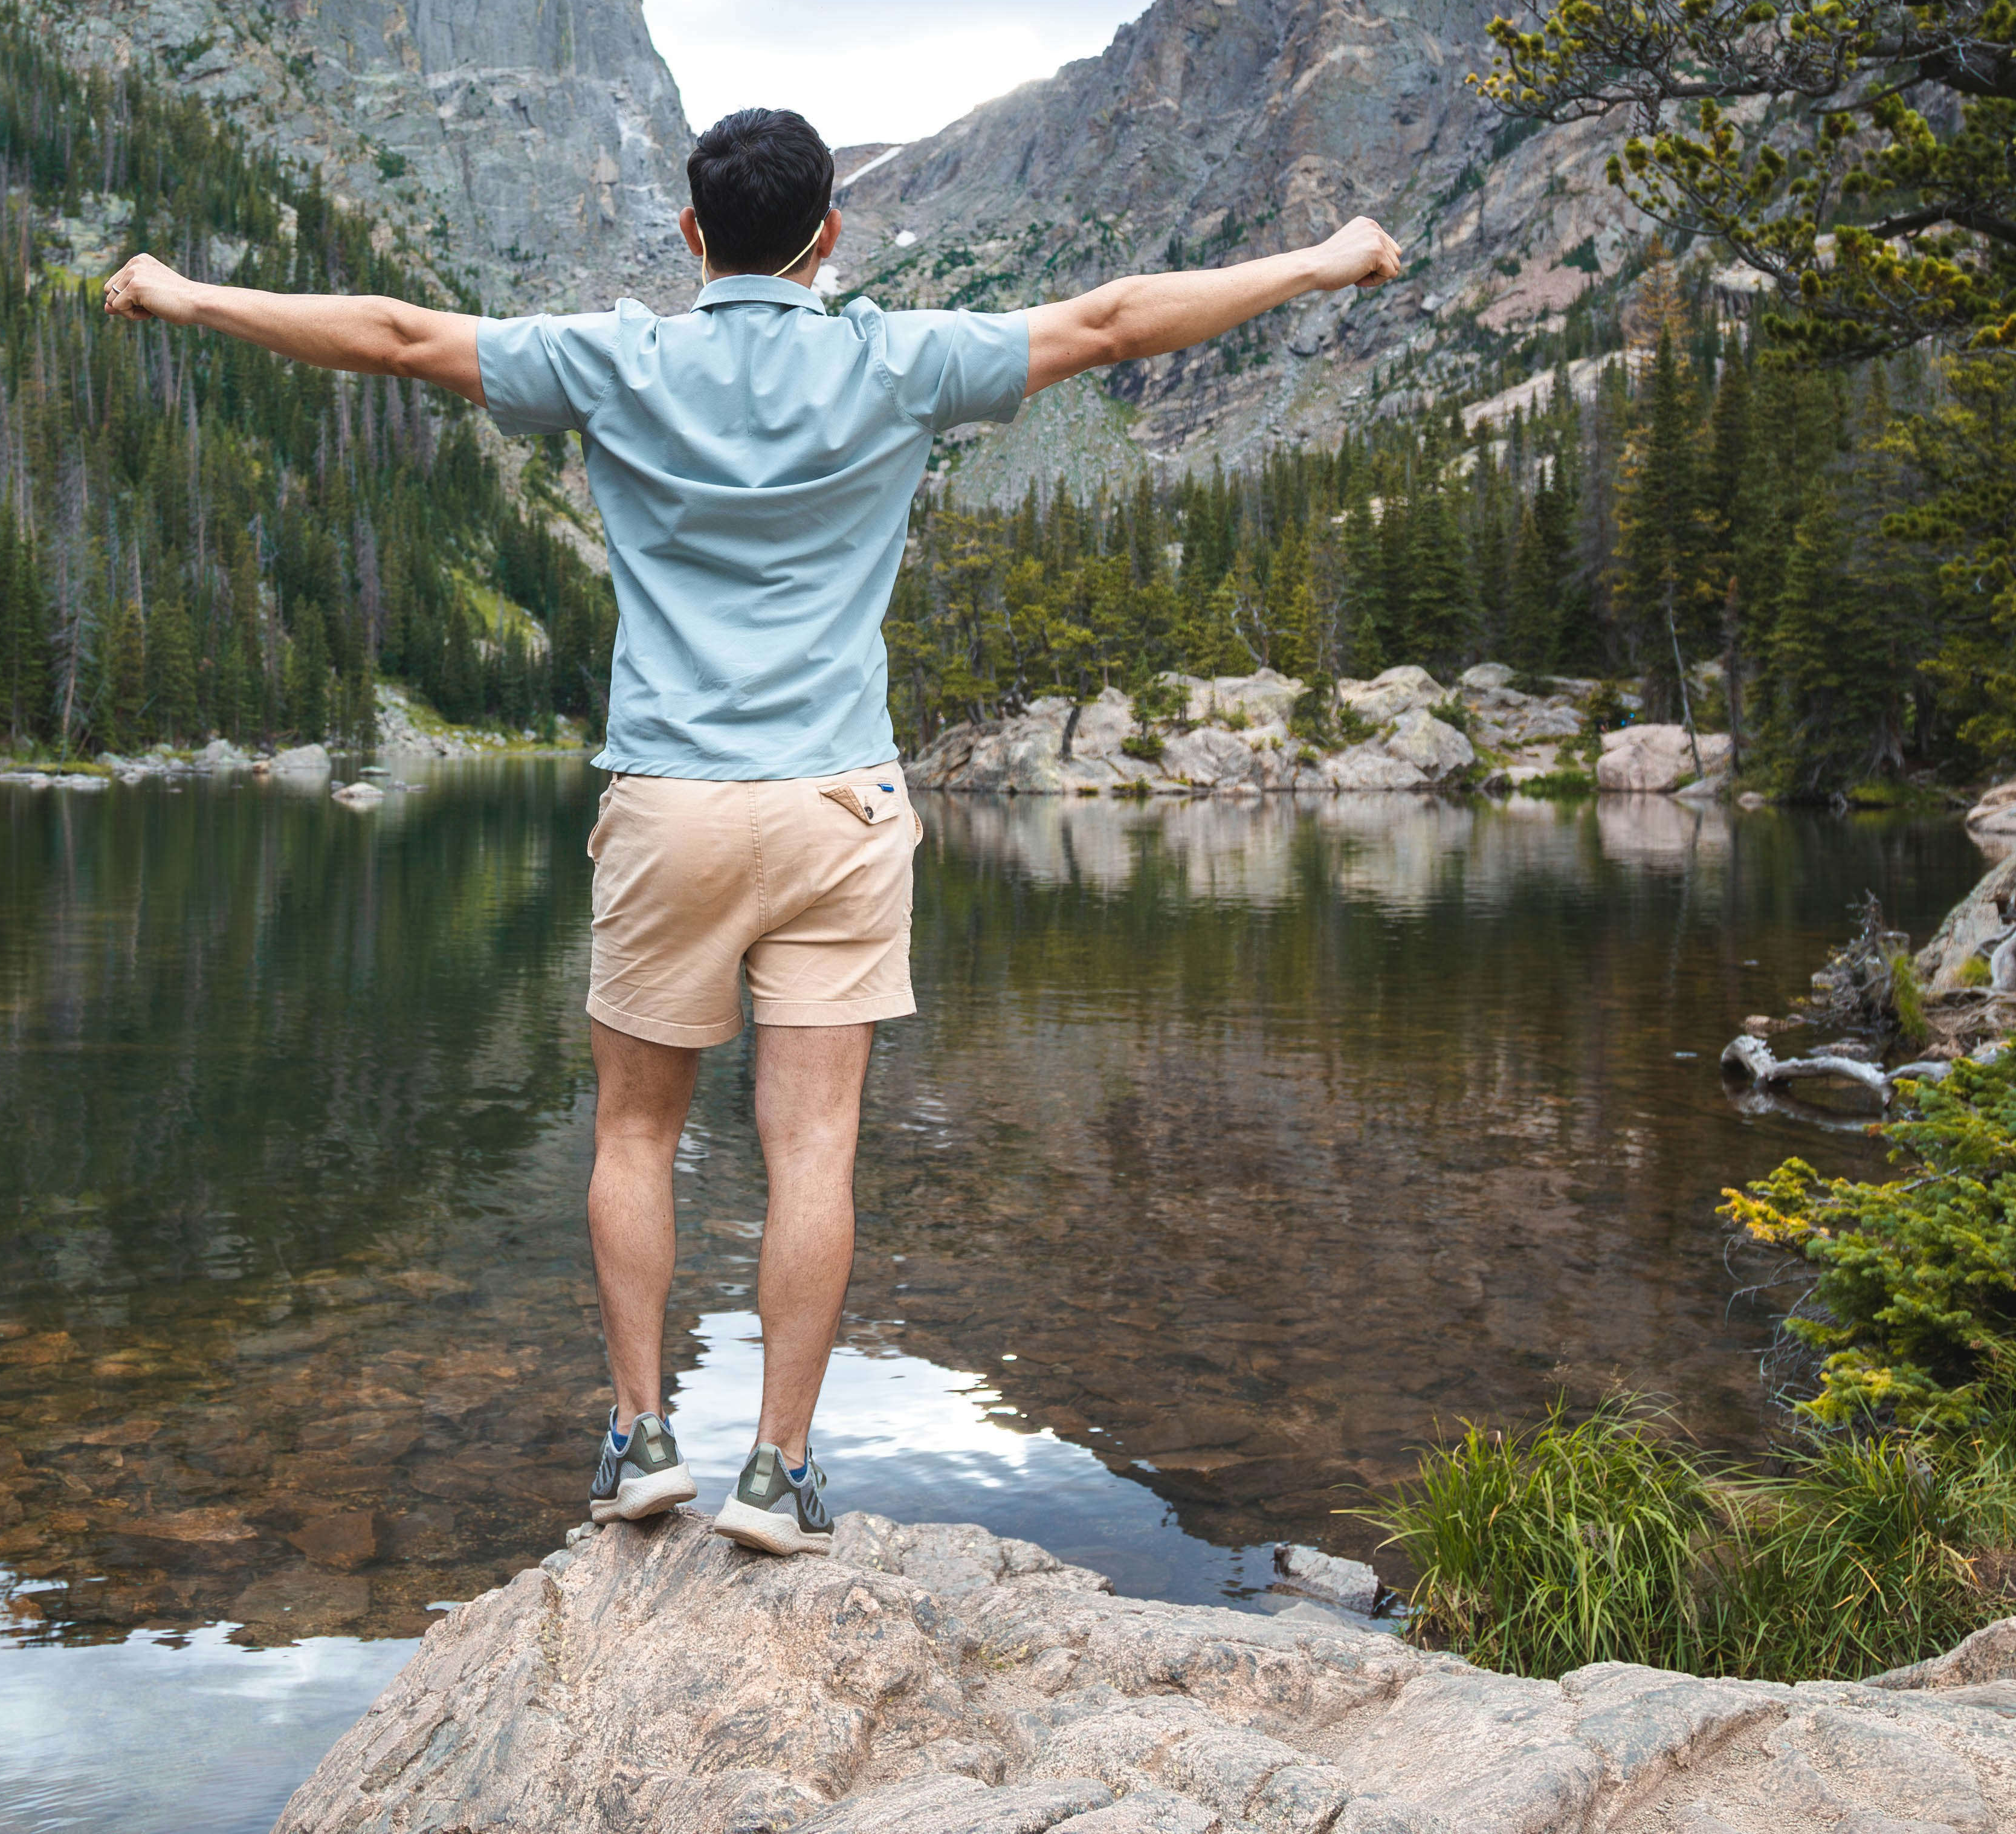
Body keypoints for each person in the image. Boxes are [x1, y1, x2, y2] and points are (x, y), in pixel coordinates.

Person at [103, 106, 1401, 1553]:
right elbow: (1107, 320)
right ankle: (777, 1470)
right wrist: (1322, 257)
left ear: (689, 235)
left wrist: (188, 293)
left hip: (667, 802)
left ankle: (638, 1435)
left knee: (635, 1129)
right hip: (836, 806)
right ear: (826, 236)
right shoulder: (891, 356)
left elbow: (399, 335)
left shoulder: (616, 357)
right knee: (816, 1147)